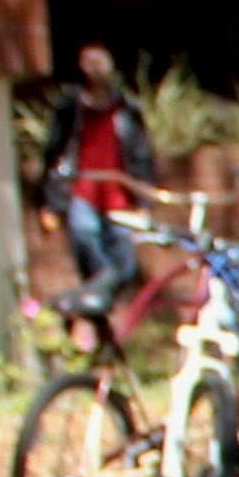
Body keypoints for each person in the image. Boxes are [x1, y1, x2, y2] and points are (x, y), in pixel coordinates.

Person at [43, 44, 158, 322]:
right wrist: (50, 203)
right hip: (82, 190)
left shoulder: (127, 109)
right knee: (87, 242)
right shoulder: (71, 108)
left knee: (125, 260)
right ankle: (97, 305)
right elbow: (54, 152)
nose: (97, 70)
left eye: (101, 63)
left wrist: (143, 198)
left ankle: (106, 304)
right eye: (90, 64)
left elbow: (141, 153)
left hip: (118, 193)